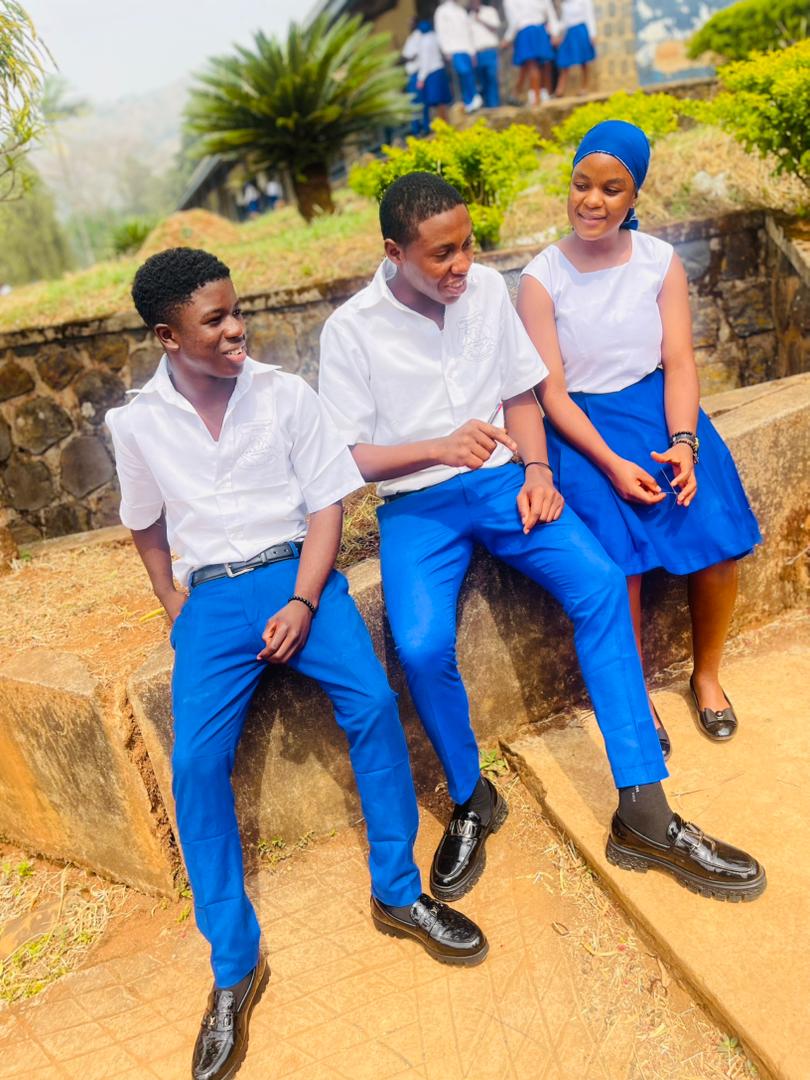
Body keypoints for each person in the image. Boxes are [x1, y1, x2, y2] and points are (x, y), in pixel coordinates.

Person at [318, 171, 766, 913]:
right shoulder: (350, 329)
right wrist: (436, 447)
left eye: (467, 246)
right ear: (394, 253)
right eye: (441, 254)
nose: (462, 265)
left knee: (599, 584)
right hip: (417, 506)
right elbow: (346, 457)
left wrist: (535, 469)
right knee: (421, 647)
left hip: (505, 484)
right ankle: (472, 797)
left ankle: (644, 809)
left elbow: (520, 392)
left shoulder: (485, 292)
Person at [106, 247, 487, 1080]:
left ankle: (398, 891)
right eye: (215, 320)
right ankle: (234, 966)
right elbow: (145, 521)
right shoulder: (135, 425)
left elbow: (326, 505)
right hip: (211, 599)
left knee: (374, 705)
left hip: (297, 575)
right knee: (195, 764)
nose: (236, 328)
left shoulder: (284, 396)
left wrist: (305, 602)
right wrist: (173, 604)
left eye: (236, 310)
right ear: (169, 336)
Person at [517, 120, 763, 759]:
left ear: (634, 198)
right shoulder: (542, 278)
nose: (591, 201)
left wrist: (685, 443)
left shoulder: (659, 260)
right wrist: (611, 464)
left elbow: (678, 361)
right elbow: (551, 394)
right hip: (583, 431)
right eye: (582, 184)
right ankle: (637, 695)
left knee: (717, 540)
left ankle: (706, 675)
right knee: (620, 566)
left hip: (660, 413)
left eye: (611, 189)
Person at [503, 0, 560, 105]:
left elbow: (514, 21)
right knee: (539, 64)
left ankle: (537, 98)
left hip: (526, 31)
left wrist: (507, 38)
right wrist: (555, 33)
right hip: (539, 30)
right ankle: (531, 95)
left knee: (533, 65)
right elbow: (551, 14)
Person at [434, 0, 483, 113]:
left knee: (469, 74)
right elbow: (440, 32)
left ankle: (472, 99)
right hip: (453, 49)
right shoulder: (442, 11)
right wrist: (445, 49)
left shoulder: (461, 11)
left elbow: (468, 32)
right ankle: (468, 100)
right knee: (463, 73)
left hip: (466, 48)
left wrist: (472, 51)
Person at [553, 0, 597, 96]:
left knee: (583, 61)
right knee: (564, 61)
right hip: (569, 33)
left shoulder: (584, 1)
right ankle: (560, 89)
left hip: (581, 31)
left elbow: (590, 17)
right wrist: (557, 33)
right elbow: (564, 22)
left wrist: (593, 34)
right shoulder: (565, 4)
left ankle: (584, 87)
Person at [415, 19, 454, 125]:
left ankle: (441, 124)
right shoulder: (435, 37)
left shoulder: (424, 42)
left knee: (436, 102)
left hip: (431, 74)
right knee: (443, 101)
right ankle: (446, 122)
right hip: (440, 70)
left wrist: (421, 78)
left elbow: (425, 62)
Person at [468, 0, 502, 108]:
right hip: (477, 53)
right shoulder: (468, 17)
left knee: (492, 77)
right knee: (481, 81)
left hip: (490, 50)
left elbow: (495, 27)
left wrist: (480, 20)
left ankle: (494, 106)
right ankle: (486, 107)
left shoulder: (490, 11)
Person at [402, 18, 430, 136]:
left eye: (411, 23)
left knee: (421, 104)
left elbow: (414, 56)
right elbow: (405, 55)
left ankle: (425, 127)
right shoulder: (411, 38)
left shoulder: (419, 37)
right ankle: (416, 129)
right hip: (411, 76)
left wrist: (421, 78)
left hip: (417, 75)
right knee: (413, 105)